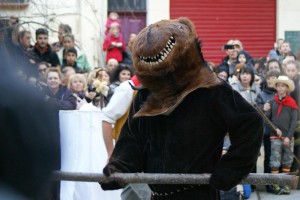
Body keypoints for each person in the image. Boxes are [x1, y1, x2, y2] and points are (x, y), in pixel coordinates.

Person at [100, 17, 263, 199]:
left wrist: (230, 169)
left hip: (198, 194)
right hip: (158, 194)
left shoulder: (210, 89)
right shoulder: (147, 94)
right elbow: (133, 138)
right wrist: (118, 168)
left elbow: (250, 124)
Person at [265, 75, 298, 195]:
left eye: (283, 86)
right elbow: (266, 119)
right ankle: (275, 184)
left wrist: (288, 137)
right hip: (275, 138)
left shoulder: (292, 103)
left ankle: (285, 185)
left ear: (287, 88)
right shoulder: (271, 102)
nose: (280, 88)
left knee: (287, 160)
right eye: (278, 85)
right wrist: (275, 129)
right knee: (275, 160)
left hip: (288, 138)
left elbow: (293, 122)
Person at [256, 70, 280, 193]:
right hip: (268, 132)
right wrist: (262, 108)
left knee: (280, 158)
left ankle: (280, 183)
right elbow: (257, 113)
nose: (271, 80)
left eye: (274, 77)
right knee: (269, 157)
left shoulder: (282, 93)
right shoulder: (261, 95)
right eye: (269, 77)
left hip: (282, 131)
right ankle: (269, 184)